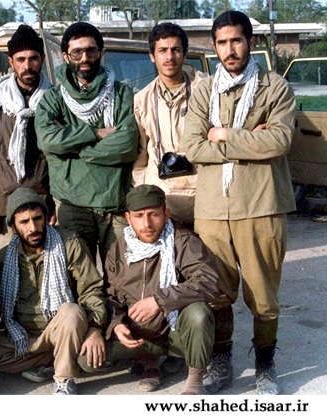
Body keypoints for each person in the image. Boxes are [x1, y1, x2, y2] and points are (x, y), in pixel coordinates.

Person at [183, 10, 297, 395]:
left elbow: (279, 141)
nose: (229, 50)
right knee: (217, 293)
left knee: (263, 297)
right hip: (213, 209)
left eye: (236, 40)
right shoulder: (204, 91)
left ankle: (265, 365)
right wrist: (250, 137)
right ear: (214, 47)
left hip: (261, 204)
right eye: (222, 42)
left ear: (251, 42)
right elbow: (192, 147)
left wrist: (224, 134)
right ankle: (222, 360)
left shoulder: (274, 87)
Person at [79, 184, 220, 395]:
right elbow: (110, 295)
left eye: (154, 214)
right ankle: (146, 359)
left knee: (198, 314)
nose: (147, 224)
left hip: (174, 333)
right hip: (137, 335)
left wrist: (159, 300)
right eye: (139, 216)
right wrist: (117, 324)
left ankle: (195, 378)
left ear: (166, 214)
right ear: (128, 218)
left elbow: (208, 281)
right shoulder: (119, 249)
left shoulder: (183, 241)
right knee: (86, 360)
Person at [35, 22, 138, 269]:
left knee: (122, 276)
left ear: (102, 53)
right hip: (73, 206)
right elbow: (47, 141)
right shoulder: (53, 99)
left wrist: (76, 149)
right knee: (80, 278)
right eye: (77, 52)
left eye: (91, 51)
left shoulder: (122, 95)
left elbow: (126, 145)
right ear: (65, 56)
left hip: (114, 204)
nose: (84, 58)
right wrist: (95, 133)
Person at [0, 188, 108, 395]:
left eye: (37, 219)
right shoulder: (3, 259)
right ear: (13, 227)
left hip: (63, 327)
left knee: (71, 312)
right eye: (24, 222)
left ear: (46, 218)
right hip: (25, 337)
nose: (33, 227)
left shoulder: (69, 245)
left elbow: (91, 289)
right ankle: (57, 357)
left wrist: (95, 327)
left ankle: (64, 379)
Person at [0, 24, 52, 255]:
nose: (27, 66)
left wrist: (57, 203)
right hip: (6, 205)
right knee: (9, 267)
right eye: (20, 60)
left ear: (42, 59)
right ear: (11, 62)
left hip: (44, 204)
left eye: (33, 58)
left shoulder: (55, 100)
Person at [131, 22, 207, 227]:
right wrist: (144, 192)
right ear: (152, 56)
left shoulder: (205, 90)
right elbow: (140, 156)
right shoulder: (142, 100)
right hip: (161, 199)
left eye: (176, 50)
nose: (169, 57)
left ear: (185, 53)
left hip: (202, 196)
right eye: (162, 50)